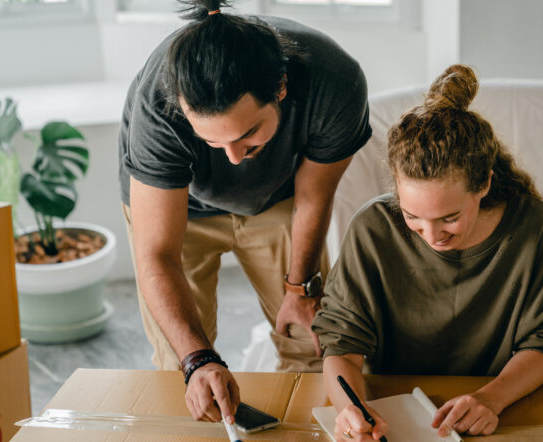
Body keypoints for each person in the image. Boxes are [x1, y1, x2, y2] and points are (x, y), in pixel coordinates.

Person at [118, 0, 371, 425]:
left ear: (282, 89)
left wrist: (298, 289)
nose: (234, 158)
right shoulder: (156, 104)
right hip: (176, 207)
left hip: (278, 200)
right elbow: (157, 254)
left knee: (310, 344)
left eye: (248, 133)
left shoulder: (335, 82)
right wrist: (199, 360)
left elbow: (313, 196)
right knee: (182, 367)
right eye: (213, 142)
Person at [312, 64, 543, 441]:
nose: (432, 235)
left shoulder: (529, 225)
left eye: (449, 218)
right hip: (389, 411)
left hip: (492, 408)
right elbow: (341, 344)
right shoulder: (372, 228)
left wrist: (491, 399)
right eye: (412, 217)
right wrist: (350, 408)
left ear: (483, 182)